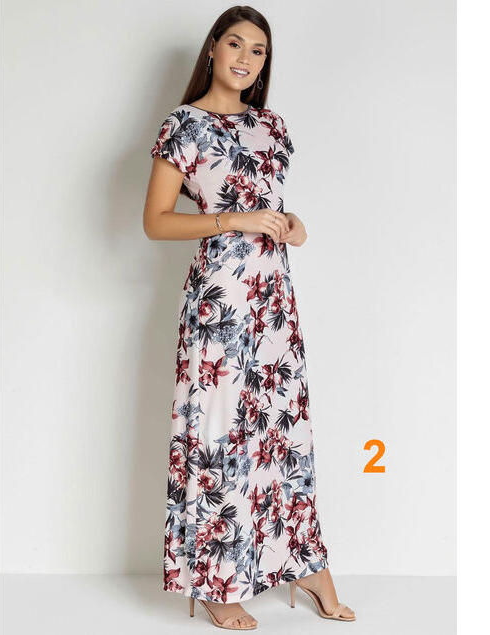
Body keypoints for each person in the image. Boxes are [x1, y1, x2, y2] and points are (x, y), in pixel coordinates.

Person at [143, 5, 356, 630]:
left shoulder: (272, 126)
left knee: (283, 430)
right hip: (220, 303)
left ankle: (305, 564)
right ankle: (216, 579)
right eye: (234, 44)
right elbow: (155, 222)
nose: (245, 58)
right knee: (220, 432)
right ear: (213, 49)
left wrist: (294, 224)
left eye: (258, 50)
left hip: (274, 298)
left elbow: (275, 207)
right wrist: (234, 219)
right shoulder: (183, 125)